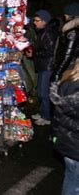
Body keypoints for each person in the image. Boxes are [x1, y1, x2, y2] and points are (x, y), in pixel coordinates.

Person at [50, 58, 79, 195]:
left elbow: (57, 119)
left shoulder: (65, 83)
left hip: (66, 144)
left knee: (71, 178)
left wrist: (55, 137)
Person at [30, 10, 59, 126]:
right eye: (34, 20)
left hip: (47, 66)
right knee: (41, 92)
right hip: (43, 65)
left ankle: (46, 117)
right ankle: (42, 113)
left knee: (44, 92)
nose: (35, 23)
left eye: (37, 21)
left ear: (44, 21)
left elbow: (49, 51)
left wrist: (34, 53)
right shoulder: (43, 31)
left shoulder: (49, 32)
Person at [53, 2, 79, 83]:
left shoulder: (73, 32)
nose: (64, 16)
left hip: (68, 68)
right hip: (70, 66)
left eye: (66, 14)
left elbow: (67, 55)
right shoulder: (73, 29)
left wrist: (57, 73)